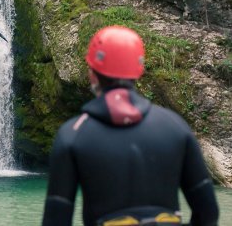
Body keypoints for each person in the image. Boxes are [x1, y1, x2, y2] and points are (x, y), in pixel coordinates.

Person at [42, 26, 219, 226]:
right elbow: (208, 214)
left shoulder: (72, 135)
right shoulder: (175, 126)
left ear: (92, 73)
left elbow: (55, 220)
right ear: (139, 70)